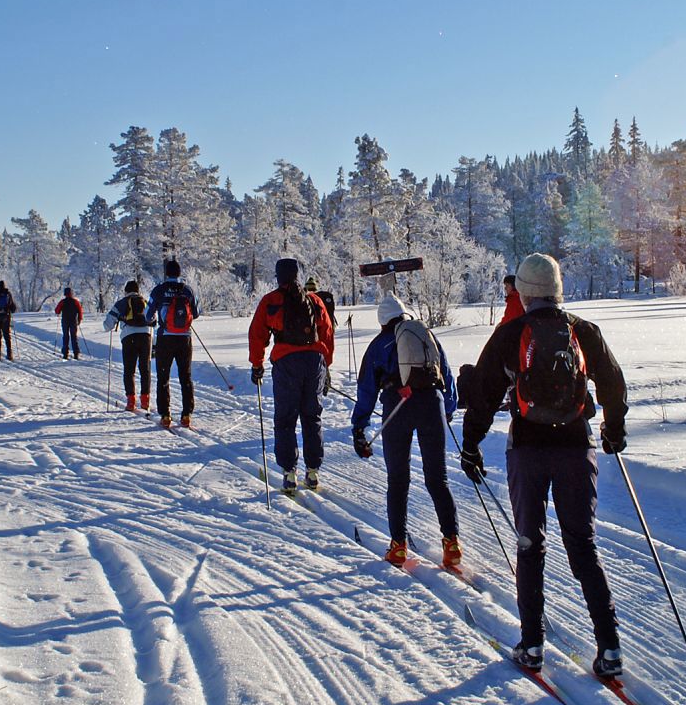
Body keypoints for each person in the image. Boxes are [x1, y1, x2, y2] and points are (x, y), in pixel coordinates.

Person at [461, 253, 628, 677]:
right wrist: (613, 428)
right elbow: (611, 379)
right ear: (558, 288)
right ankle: (609, 648)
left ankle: (532, 645)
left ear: (524, 292)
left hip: (528, 451)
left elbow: (482, 392)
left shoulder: (511, 333)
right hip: (576, 447)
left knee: (529, 545)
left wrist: (470, 444)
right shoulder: (583, 331)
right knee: (583, 545)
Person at [351, 294, 462, 571]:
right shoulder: (426, 335)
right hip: (432, 404)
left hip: (397, 405)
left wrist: (359, 427)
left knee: (398, 479)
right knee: (438, 478)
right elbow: (446, 374)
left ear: (382, 322)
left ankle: (398, 547)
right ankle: (452, 545)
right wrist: (446, 408)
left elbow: (366, 390)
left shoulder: (378, 344)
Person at [249, 259, 335, 493]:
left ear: (278, 276)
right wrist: (325, 365)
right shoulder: (314, 300)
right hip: (314, 361)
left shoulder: (271, 301)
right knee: (312, 416)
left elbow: (257, 334)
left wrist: (257, 364)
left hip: (287, 362)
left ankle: (289, 473)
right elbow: (327, 333)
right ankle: (313, 471)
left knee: (286, 418)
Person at [145, 259, 200, 428]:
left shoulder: (159, 290)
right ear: (179, 272)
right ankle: (186, 415)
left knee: (163, 377)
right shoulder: (187, 290)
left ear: (166, 273)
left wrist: (155, 321)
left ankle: (166, 415)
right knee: (186, 376)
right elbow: (196, 313)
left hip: (165, 338)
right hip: (185, 338)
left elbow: (148, 315)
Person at [103, 280, 153, 411]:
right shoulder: (145, 302)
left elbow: (107, 325)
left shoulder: (121, 303)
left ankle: (131, 401)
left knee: (129, 370)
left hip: (128, 337)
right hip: (145, 337)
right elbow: (154, 319)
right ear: (138, 290)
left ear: (126, 291)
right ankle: (145, 401)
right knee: (145, 369)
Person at [55, 287, 84, 360]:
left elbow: (57, 311)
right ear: (71, 293)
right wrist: (79, 319)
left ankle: (65, 354)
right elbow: (80, 311)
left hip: (65, 321)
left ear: (65, 294)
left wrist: (60, 311)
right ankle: (76, 353)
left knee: (65, 336)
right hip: (73, 322)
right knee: (74, 337)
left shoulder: (62, 302)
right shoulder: (76, 302)